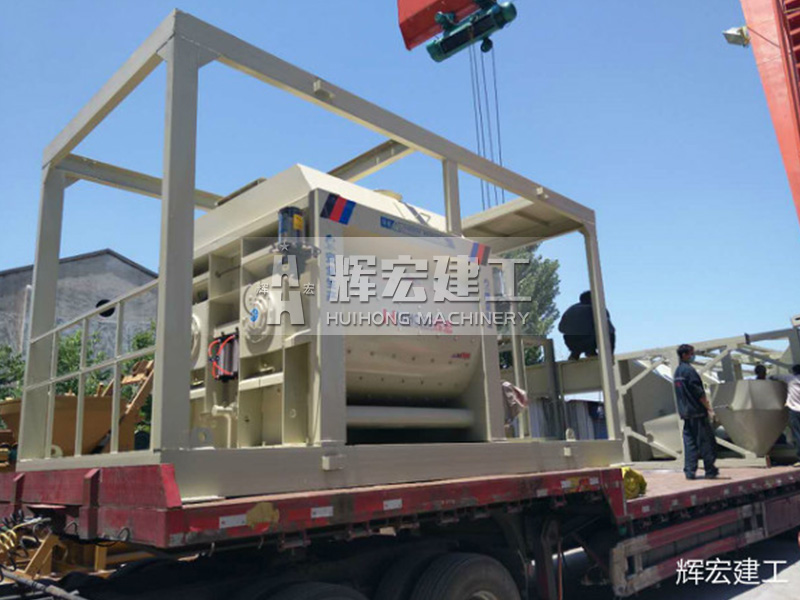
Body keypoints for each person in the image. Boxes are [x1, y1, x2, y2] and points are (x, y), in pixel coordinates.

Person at [673, 344, 718, 480]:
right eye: (691, 353)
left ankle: (689, 471)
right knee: (705, 442)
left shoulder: (677, 372)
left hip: (686, 414)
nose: (693, 356)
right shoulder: (689, 371)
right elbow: (699, 393)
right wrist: (709, 408)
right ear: (684, 355)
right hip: (697, 412)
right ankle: (710, 470)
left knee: (689, 444)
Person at [558, 291, 616, 360]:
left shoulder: (571, 309)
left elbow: (561, 329)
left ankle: (575, 353)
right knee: (609, 332)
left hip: (571, 342)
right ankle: (599, 354)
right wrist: (610, 354)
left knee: (575, 335)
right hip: (590, 341)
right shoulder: (598, 309)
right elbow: (610, 330)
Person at [770, 365, 800, 466]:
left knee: (797, 434)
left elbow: (774, 377)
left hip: (794, 410)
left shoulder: (790, 379)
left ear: (794, 372)